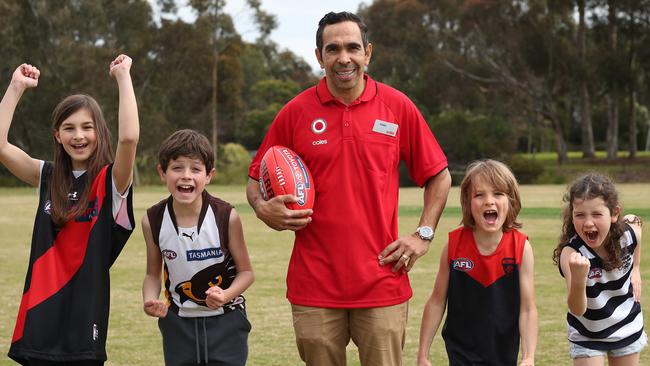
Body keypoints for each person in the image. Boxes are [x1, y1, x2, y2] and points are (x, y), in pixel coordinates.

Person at [246, 11, 452, 366]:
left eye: (353, 48)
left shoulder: (397, 106)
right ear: (318, 55)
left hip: (382, 280)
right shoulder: (295, 112)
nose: (344, 58)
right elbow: (255, 181)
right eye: (333, 48)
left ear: (368, 53)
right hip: (314, 284)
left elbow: (439, 175)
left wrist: (423, 234)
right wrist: (263, 208)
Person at [0, 55, 139, 365]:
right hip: (39, 313)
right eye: (69, 128)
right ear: (57, 135)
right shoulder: (46, 177)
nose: (78, 135)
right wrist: (15, 87)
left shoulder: (111, 181)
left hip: (83, 321)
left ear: (100, 132)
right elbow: (0, 146)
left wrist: (122, 76)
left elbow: (129, 138)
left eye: (87, 127)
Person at [142, 129, 254, 366]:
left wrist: (224, 295)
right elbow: (153, 273)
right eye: (177, 168)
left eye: (195, 168)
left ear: (209, 175)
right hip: (178, 325)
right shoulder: (152, 220)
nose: (186, 176)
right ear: (162, 172)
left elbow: (246, 273)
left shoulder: (226, 216)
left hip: (227, 323)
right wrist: (149, 299)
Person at [417, 159, 537, 366]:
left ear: (511, 200)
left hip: (503, 353)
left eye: (498, 194)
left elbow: (527, 309)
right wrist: (422, 355)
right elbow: (437, 301)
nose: (489, 201)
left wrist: (528, 356)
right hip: (461, 354)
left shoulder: (521, 248)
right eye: (479, 195)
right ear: (468, 203)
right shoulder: (454, 245)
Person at [552, 173, 646, 365]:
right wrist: (579, 279)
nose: (588, 222)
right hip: (587, 335)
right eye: (580, 215)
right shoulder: (571, 254)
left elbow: (635, 221)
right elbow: (577, 309)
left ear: (614, 213)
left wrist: (636, 269)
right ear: (572, 215)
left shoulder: (627, 235)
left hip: (626, 325)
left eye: (596, 214)